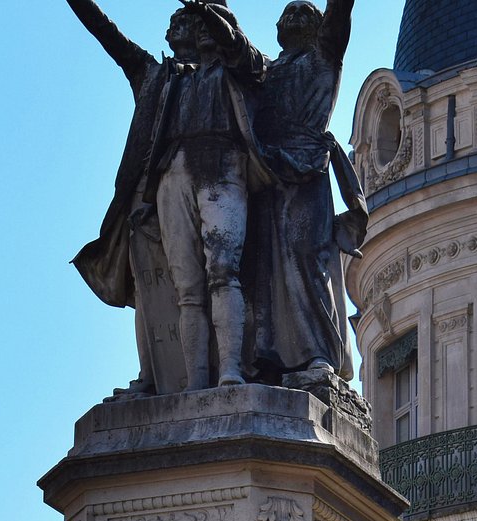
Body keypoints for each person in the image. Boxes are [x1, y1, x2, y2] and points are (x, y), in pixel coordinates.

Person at [67, 0, 200, 396]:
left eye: (186, 20)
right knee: (146, 286)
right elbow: (107, 33)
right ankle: (150, 377)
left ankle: (195, 375)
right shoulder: (148, 73)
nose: (175, 24)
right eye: (174, 21)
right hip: (144, 190)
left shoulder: (221, 73)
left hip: (194, 185)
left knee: (193, 281)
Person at [148, 1, 270, 389]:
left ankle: (230, 368)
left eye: (211, 23)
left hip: (221, 164)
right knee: (187, 287)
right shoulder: (178, 79)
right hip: (176, 168)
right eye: (199, 22)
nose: (203, 29)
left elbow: (236, 46)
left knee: (223, 271)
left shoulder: (243, 66)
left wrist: (207, 8)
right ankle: (196, 380)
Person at [249, 0, 367, 383]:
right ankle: (267, 354)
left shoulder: (324, 55)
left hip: (308, 168)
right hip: (266, 173)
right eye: (290, 12)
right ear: (279, 27)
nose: (298, 16)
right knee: (264, 265)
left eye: (306, 12)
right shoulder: (264, 72)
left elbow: (339, 11)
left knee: (307, 256)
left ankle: (320, 352)